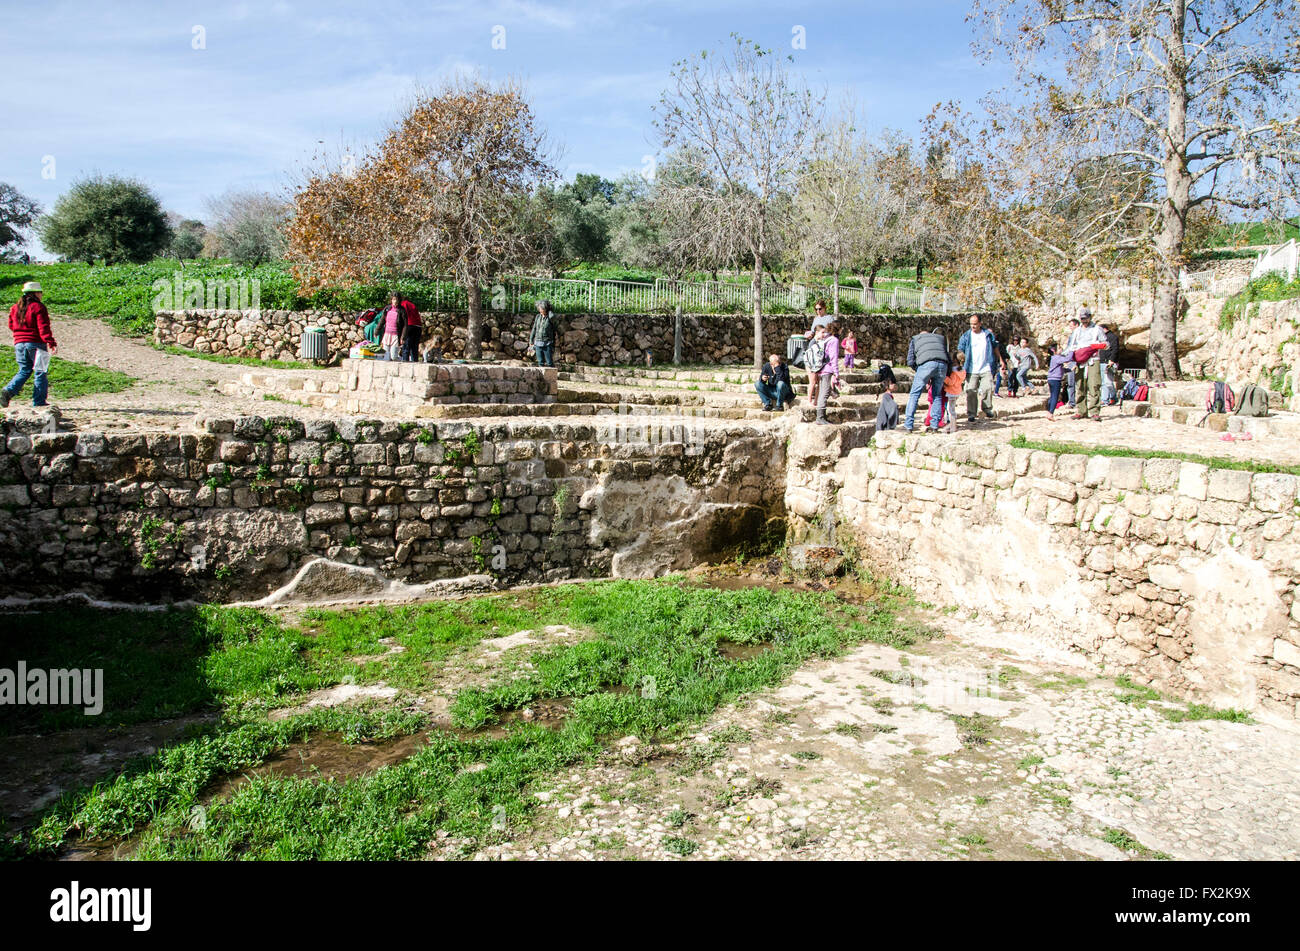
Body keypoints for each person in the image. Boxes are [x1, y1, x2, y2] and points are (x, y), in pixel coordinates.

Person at [1, 282, 57, 408]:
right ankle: (39, 402)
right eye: (40, 292)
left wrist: (21, 335)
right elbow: (43, 327)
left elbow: (11, 325)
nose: (41, 295)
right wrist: (50, 342)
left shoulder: (15, 307)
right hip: (36, 343)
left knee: (24, 370)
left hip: (19, 344)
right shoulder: (38, 307)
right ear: (36, 293)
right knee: (40, 371)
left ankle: (8, 391)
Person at [957, 314, 1005, 423]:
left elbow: (995, 347)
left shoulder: (987, 335)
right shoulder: (966, 336)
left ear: (980, 323)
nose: (972, 326)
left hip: (986, 366)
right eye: (971, 324)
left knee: (988, 388)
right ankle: (971, 413)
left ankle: (987, 409)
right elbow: (960, 349)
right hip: (971, 368)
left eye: (975, 324)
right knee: (971, 390)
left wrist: (1001, 360)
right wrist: (961, 360)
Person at [903, 326, 949, 432]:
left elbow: (910, 361)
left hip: (926, 364)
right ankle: (934, 425)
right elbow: (947, 357)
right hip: (943, 365)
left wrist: (920, 371)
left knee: (914, 394)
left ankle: (908, 425)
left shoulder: (916, 339)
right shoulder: (939, 338)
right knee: (937, 395)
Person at [1071, 309, 1108, 421]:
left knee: (1094, 384)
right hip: (1080, 359)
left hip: (1093, 359)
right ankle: (1081, 410)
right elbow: (1072, 345)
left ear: (1090, 317)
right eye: (1082, 319)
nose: (1084, 321)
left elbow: (1106, 344)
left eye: (1085, 318)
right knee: (1079, 384)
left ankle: (1094, 411)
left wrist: (1094, 347)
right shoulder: (1077, 331)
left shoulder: (1097, 329)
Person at [804, 299, 833, 403]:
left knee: (819, 380)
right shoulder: (816, 319)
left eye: (820, 309)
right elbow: (813, 331)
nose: (818, 311)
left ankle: (816, 401)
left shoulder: (829, 318)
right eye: (816, 309)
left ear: (824, 308)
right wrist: (810, 335)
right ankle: (810, 401)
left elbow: (831, 332)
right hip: (815, 350)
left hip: (823, 349)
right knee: (812, 380)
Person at [814, 321, 842, 425]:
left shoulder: (826, 339)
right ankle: (820, 418)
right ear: (838, 329)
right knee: (824, 394)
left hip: (821, 369)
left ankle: (822, 416)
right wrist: (836, 372)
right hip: (827, 370)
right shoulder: (834, 340)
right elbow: (833, 357)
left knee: (823, 391)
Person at [1045, 341, 1070, 420]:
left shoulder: (1053, 358)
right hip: (1056, 380)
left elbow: (1060, 369)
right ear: (1054, 351)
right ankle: (1051, 413)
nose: (1061, 349)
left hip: (1051, 379)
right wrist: (1072, 350)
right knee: (1055, 397)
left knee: (1052, 396)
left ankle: (1048, 411)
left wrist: (1069, 370)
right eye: (1059, 348)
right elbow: (1068, 359)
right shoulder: (1057, 357)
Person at [530, 299, 557, 367]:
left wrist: (549, 311)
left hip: (547, 342)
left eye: (541, 308)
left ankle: (552, 376)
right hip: (538, 342)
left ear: (546, 308)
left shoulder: (550, 317)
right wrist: (531, 340)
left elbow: (553, 317)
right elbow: (534, 328)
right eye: (539, 308)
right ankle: (542, 377)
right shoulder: (538, 317)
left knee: (549, 362)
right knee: (540, 362)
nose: (540, 309)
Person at [380, 293, 406, 361]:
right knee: (386, 356)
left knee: (393, 356)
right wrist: (376, 331)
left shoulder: (402, 310)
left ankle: (401, 361)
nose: (395, 301)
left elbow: (405, 325)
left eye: (397, 300)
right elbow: (382, 320)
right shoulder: (387, 308)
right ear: (391, 300)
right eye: (394, 299)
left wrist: (402, 337)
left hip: (395, 336)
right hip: (387, 335)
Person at [1099, 320, 1120, 405]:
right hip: (1101, 361)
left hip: (1108, 362)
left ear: (1104, 329)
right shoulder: (1102, 338)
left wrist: (1112, 360)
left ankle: (1105, 400)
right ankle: (1112, 398)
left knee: (1107, 382)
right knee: (1104, 382)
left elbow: (1115, 350)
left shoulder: (1112, 337)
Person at [1063, 316, 1081, 409]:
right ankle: (1072, 402)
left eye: (1071, 326)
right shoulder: (1071, 337)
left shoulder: (1081, 336)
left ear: (1077, 325)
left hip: (1076, 361)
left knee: (1078, 383)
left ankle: (1077, 402)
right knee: (1070, 382)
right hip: (1071, 361)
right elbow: (1069, 349)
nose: (1070, 327)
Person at [398, 296, 423, 361]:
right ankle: (415, 362)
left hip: (409, 325)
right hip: (418, 326)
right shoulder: (412, 304)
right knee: (414, 347)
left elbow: (402, 315)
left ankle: (405, 362)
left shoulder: (403, 304)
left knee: (406, 346)